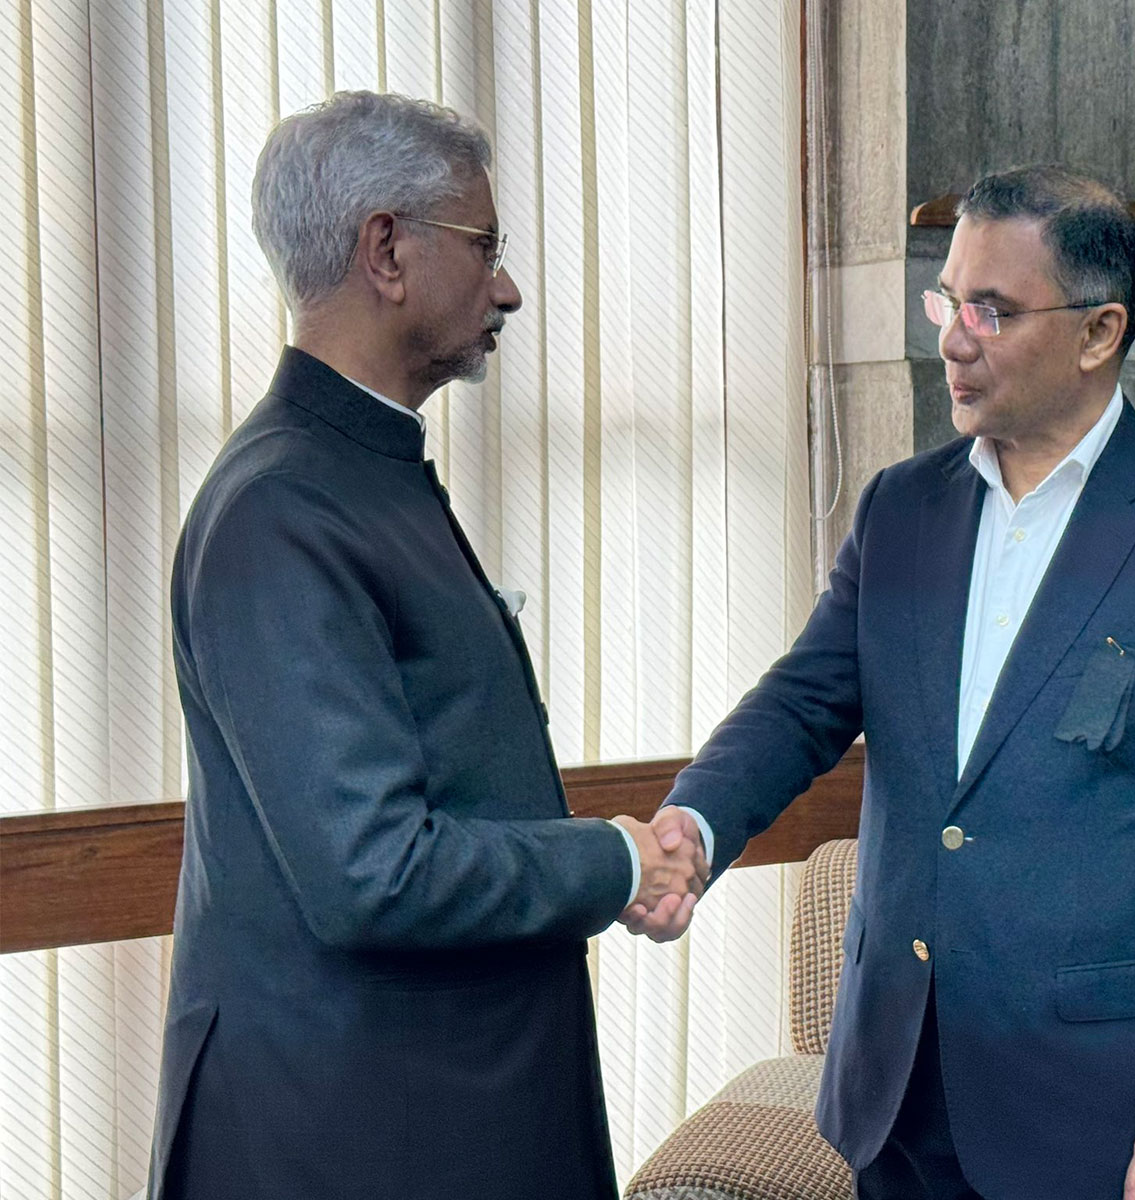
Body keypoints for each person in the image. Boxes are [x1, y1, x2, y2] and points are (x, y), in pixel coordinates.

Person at [627, 166, 1135, 1200]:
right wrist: (697, 823)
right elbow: (802, 705)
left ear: (1099, 333)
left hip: (1097, 1108)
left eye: (991, 310)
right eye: (947, 300)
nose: (952, 338)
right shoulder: (900, 510)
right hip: (896, 1085)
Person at [145, 91, 705, 1200]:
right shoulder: (281, 507)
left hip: (427, 1105)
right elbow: (372, 872)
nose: (507, 287)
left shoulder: (356, 468)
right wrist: (614, 861)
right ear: (387, 251)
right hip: (354, 1131)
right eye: (485, 245)